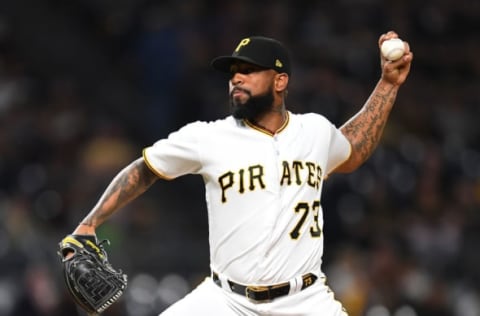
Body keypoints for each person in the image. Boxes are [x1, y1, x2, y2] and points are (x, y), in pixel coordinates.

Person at [65, 30, 413, 315]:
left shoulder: (315, 132)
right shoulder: (208, 136)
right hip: (226, 300)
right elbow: (145, 169)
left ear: (280, 81)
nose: (236, 78)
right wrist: (89, 223)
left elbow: (352, 150)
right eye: (233, 72)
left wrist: (387, 85)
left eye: (248, 70)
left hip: (304, 301)